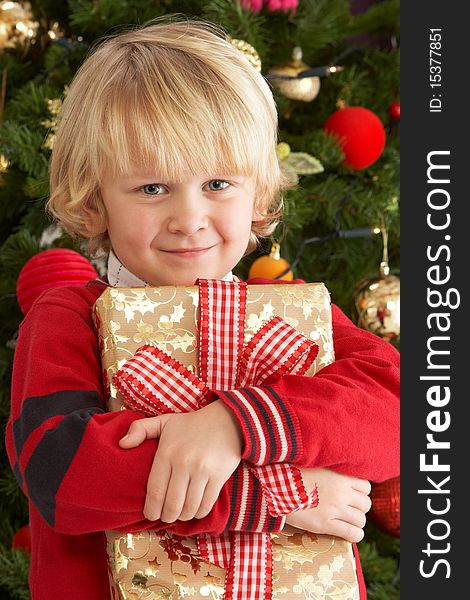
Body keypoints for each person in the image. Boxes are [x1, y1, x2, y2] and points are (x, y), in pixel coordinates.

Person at [5, 18, 399, 600]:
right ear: (94, 200)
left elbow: (398, 410)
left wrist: (237, 427)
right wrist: (281, 496)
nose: (189, 218)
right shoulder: (68, 318)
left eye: (218, 183)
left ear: (258, 193)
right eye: (151, 188)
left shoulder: (294, 314)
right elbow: (62, 473)